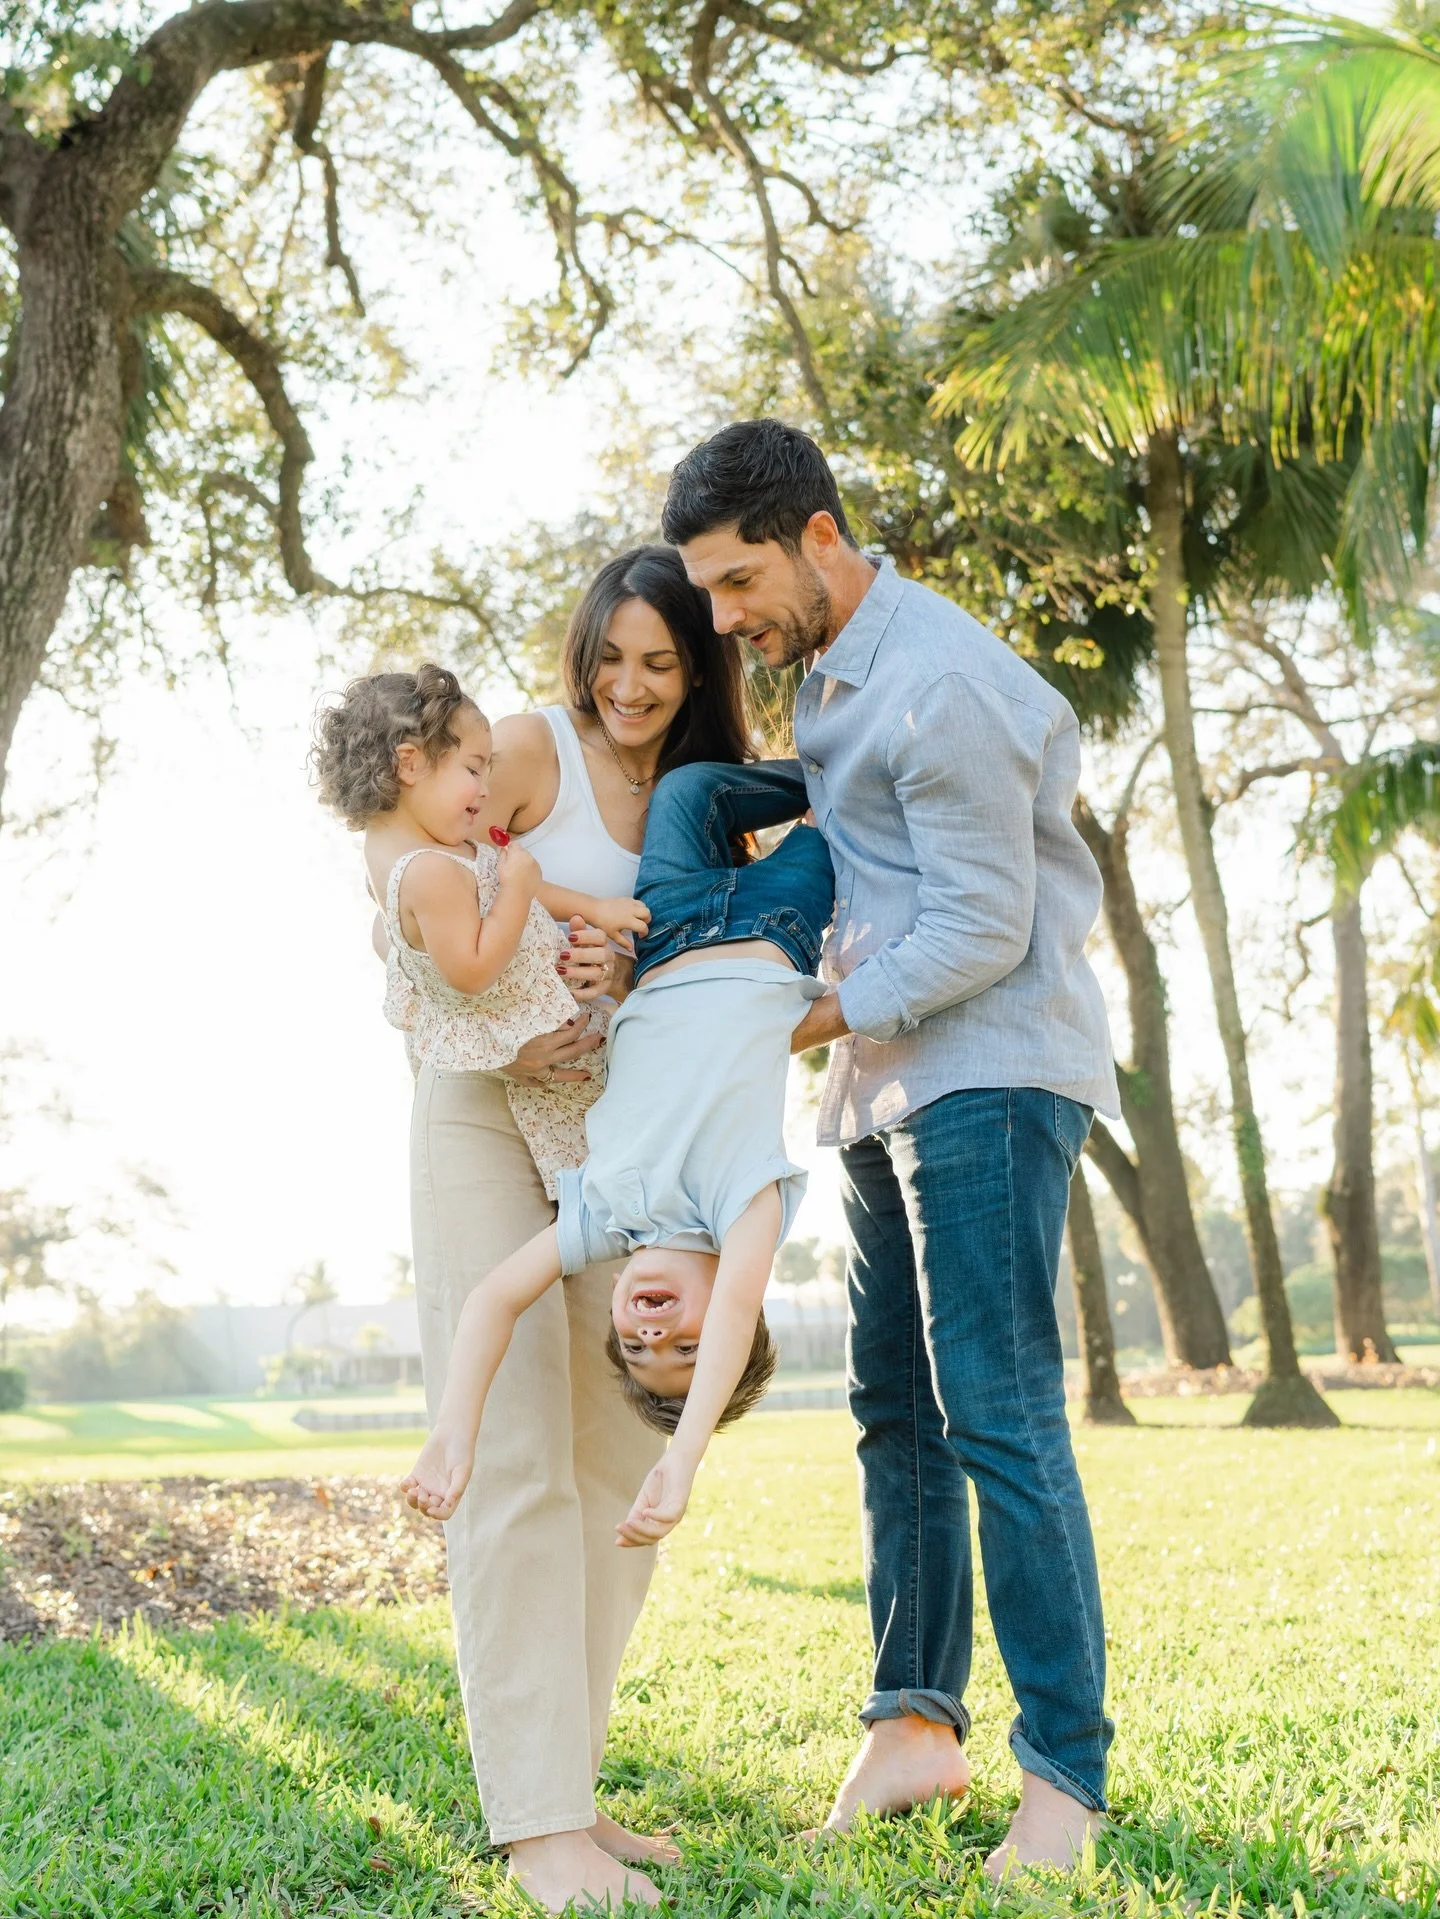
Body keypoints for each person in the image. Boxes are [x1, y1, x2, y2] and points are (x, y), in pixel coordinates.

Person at [663, 419, 1123, 1882]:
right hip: (882, 1082)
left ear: (815, 532)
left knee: (995, 1409)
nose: (724, 620)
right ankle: (917, 1722)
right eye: (710, 593)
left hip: (984, 1071)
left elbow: (986, 924)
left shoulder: (939, 679)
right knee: (896, 1410)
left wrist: (811, 1015)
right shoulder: (841, 677)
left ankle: (1065, 1777)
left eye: (738, 584)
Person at [370, 548, 751, 1916]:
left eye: (662, 662)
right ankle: (535, 1829)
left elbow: (718, 969)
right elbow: (406, 859)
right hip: (485, 1108)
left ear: (701, 669)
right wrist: (499, 985)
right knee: (519, 1452)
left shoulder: (714, 802)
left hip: (620, 1141)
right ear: (583, 649)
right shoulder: (528, 749)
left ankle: (573, 1788)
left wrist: (621, 960)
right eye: (612, 655)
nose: (631, 686)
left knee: (610, 1463)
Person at [402, 758, 833, 1543]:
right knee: (837, 801)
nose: (652, 1329)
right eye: (685, 1344)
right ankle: (833, 759)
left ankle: (825, 764)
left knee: (685, 791)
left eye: (635, 1345)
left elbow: (494, 1297)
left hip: (664, 929)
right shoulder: (743, 1205)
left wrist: (453, 1429)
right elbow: (736, 1307)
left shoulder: (602, 1214)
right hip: (777, 927)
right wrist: (683, 1457)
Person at [314, 663, 645, 1200]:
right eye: (474, 768)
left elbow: (508, 879)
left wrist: (596, 909)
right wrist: (517, 889)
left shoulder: (440, 852)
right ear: (410, 763)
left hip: (553, 1061)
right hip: (537, 1074)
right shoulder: (428, 873)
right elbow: (471, 970)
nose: (486, 789)